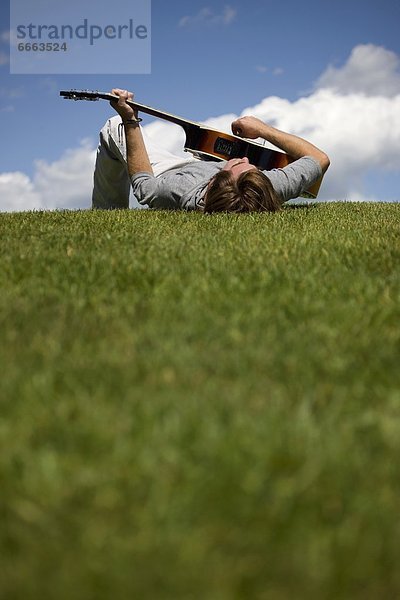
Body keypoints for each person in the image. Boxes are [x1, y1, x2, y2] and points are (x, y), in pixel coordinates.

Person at [92, 88, 330, 213]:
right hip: (207, 165)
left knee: (113, 126)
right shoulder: (269, 186)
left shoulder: (179, 191)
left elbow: (144, 187)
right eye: (253, 167)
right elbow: (319, 158)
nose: (245, 157)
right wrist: (262, 130)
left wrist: (130, 121)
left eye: (237, 164)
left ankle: (105, 215)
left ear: (217, 178)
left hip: (170, 171)